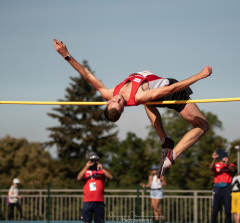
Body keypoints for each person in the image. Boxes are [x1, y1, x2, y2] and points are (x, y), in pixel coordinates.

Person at [53, 39, 211, 177]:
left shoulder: (109, 93)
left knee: (147, 103)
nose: (119, 99)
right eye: (120, 103)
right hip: (171, 92)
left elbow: (86, 74)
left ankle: (165, 140)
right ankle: (172, 155)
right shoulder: (137, 97)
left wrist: (66, 55)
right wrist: (200, 75)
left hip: (153, 97)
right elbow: (171, 89)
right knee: (203, 125)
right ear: (123, 109)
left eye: (114, 100)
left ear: (107, 102)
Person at [77, 152, 113, 223]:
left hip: (99, 201)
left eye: (95, 161)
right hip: (87, 201)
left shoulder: (101, 171)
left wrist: (102, 169)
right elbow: (78, 178)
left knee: (99, 221)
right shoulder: (86, 171)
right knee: (87, 221)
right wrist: (86, 167)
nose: (94, 163)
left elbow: (110, 177)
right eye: (92, 161)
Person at [210, 149, 235, 223]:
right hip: (217, 188)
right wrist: (214, 159)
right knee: (215, 209)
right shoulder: (217, 164)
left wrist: (227, 164)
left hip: (227, 188)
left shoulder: (230, 165)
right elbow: (211, 168)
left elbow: (233, 171)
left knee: (228, 210)